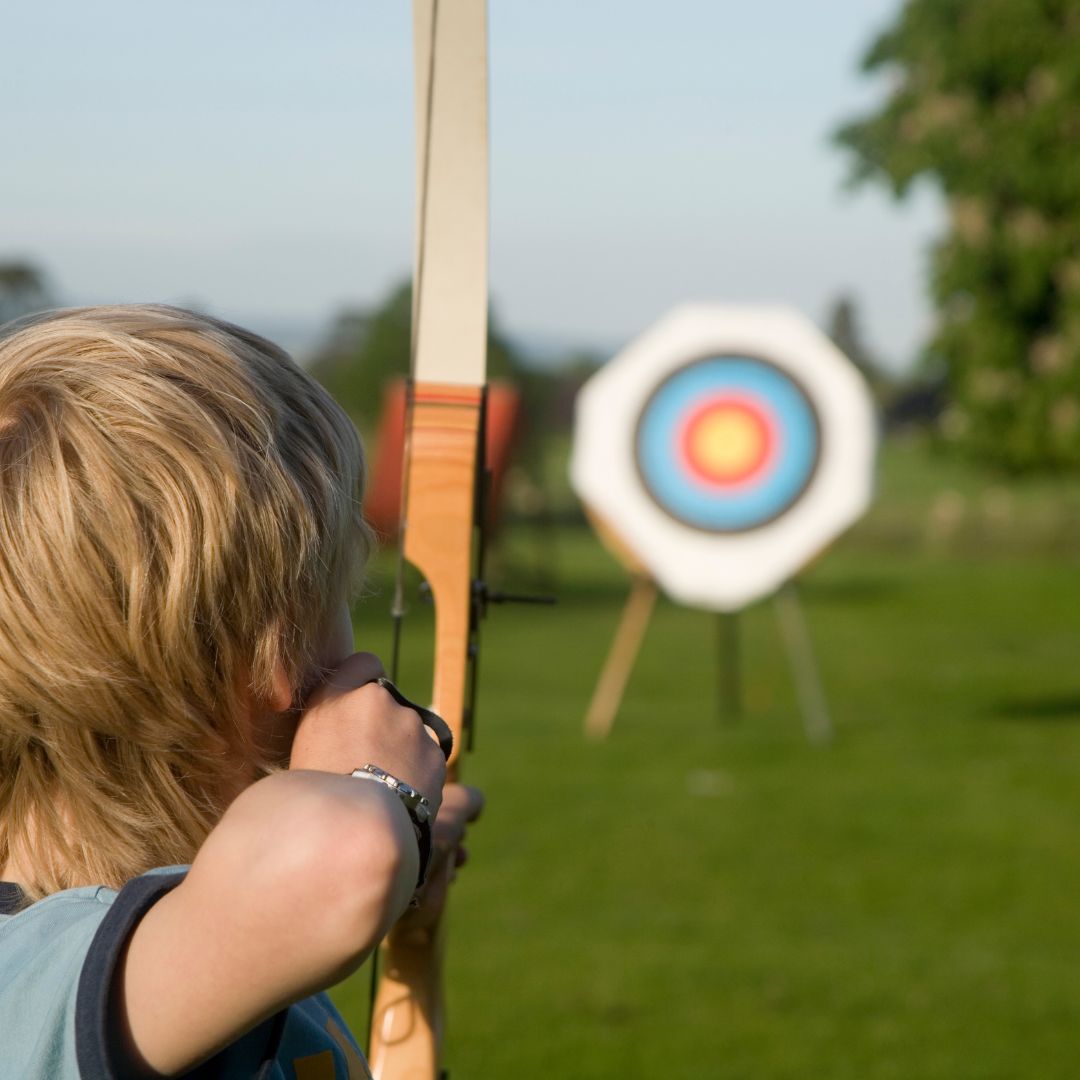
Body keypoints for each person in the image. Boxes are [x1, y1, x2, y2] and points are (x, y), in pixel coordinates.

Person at [0, 305, 483, 1078]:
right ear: (275, 646)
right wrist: (385, 795)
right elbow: (344, 856)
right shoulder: (45, 976)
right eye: (337, 599)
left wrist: (410, 842)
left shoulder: (193, 933)